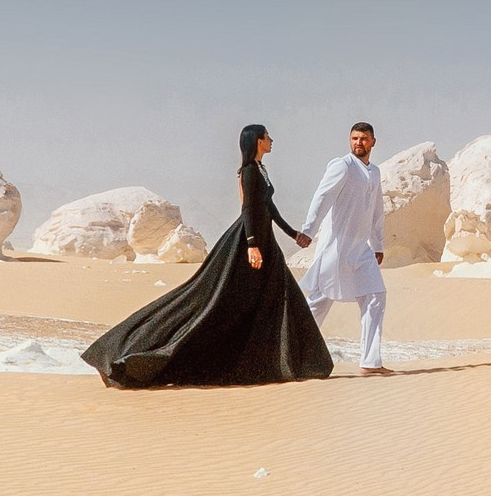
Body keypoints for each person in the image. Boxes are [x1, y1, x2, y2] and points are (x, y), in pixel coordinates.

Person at [81, 124, 334, 387]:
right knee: (209, 300)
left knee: (278, 298)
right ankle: (127, 353)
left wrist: (294, 234)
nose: (271, 139)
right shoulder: (248, 171)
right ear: (257, 141)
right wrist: (251, 244)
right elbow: (248, 208)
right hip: (249, 243)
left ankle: (290, 363)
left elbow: (268, 207)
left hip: (264, 242)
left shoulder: (261, 170)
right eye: (267, 136)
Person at [299, 120, 392, 376]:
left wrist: (378, 243)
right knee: (319, 300)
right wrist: (309, 230)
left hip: (361, 248)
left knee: (375, 296)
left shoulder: (374, 172)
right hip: (335, 247)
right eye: (354, 138)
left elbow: (377, 210)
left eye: (363, 138)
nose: (358, 143)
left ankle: (370, 363)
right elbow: (322, 196)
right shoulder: (342, 166)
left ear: (373, 141)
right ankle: (288, 351)